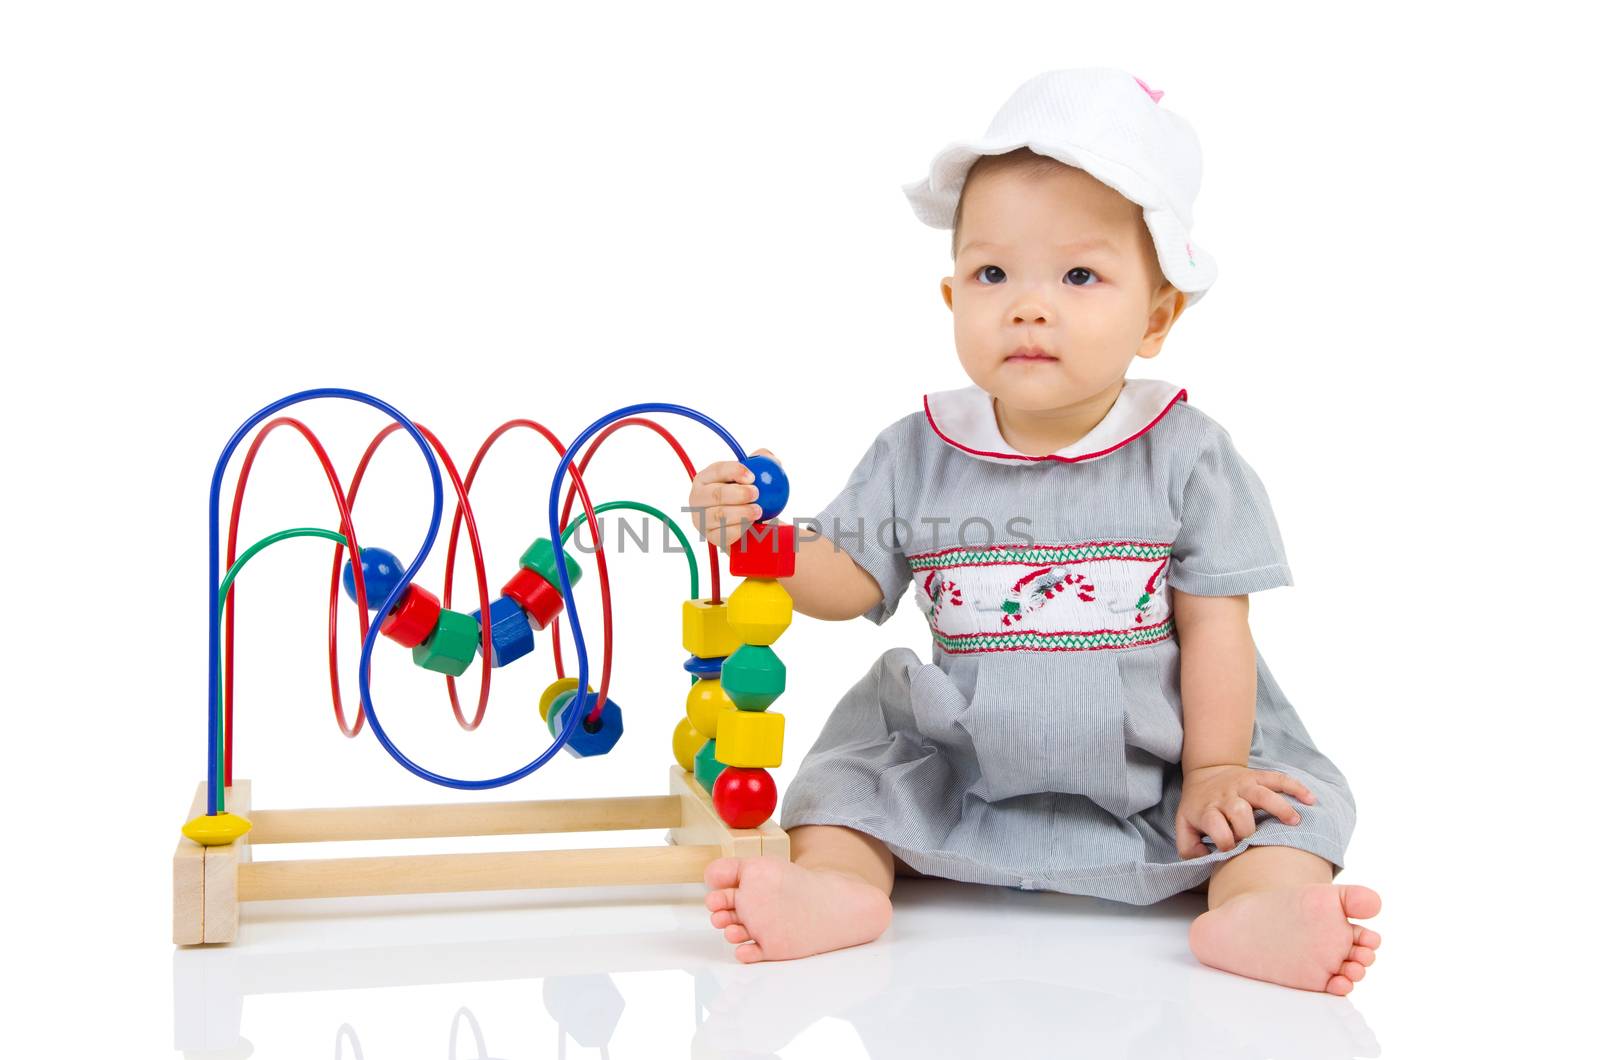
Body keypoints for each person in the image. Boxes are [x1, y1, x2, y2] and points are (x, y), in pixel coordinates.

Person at [686, 68, 1381, 995]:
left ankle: (1259, 907)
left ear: (1159, 316)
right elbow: (847, 581)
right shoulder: (918, 451)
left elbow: (1218, 625)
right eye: (992, 272)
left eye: (1080, 274)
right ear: (952, 299)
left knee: (1283, 807)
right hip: (965, 756)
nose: (1028, 303)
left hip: (1162, 756)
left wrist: (1215, 767)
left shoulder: (1186, 455)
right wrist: (756, 541)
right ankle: (838, 887)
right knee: (845, 786)